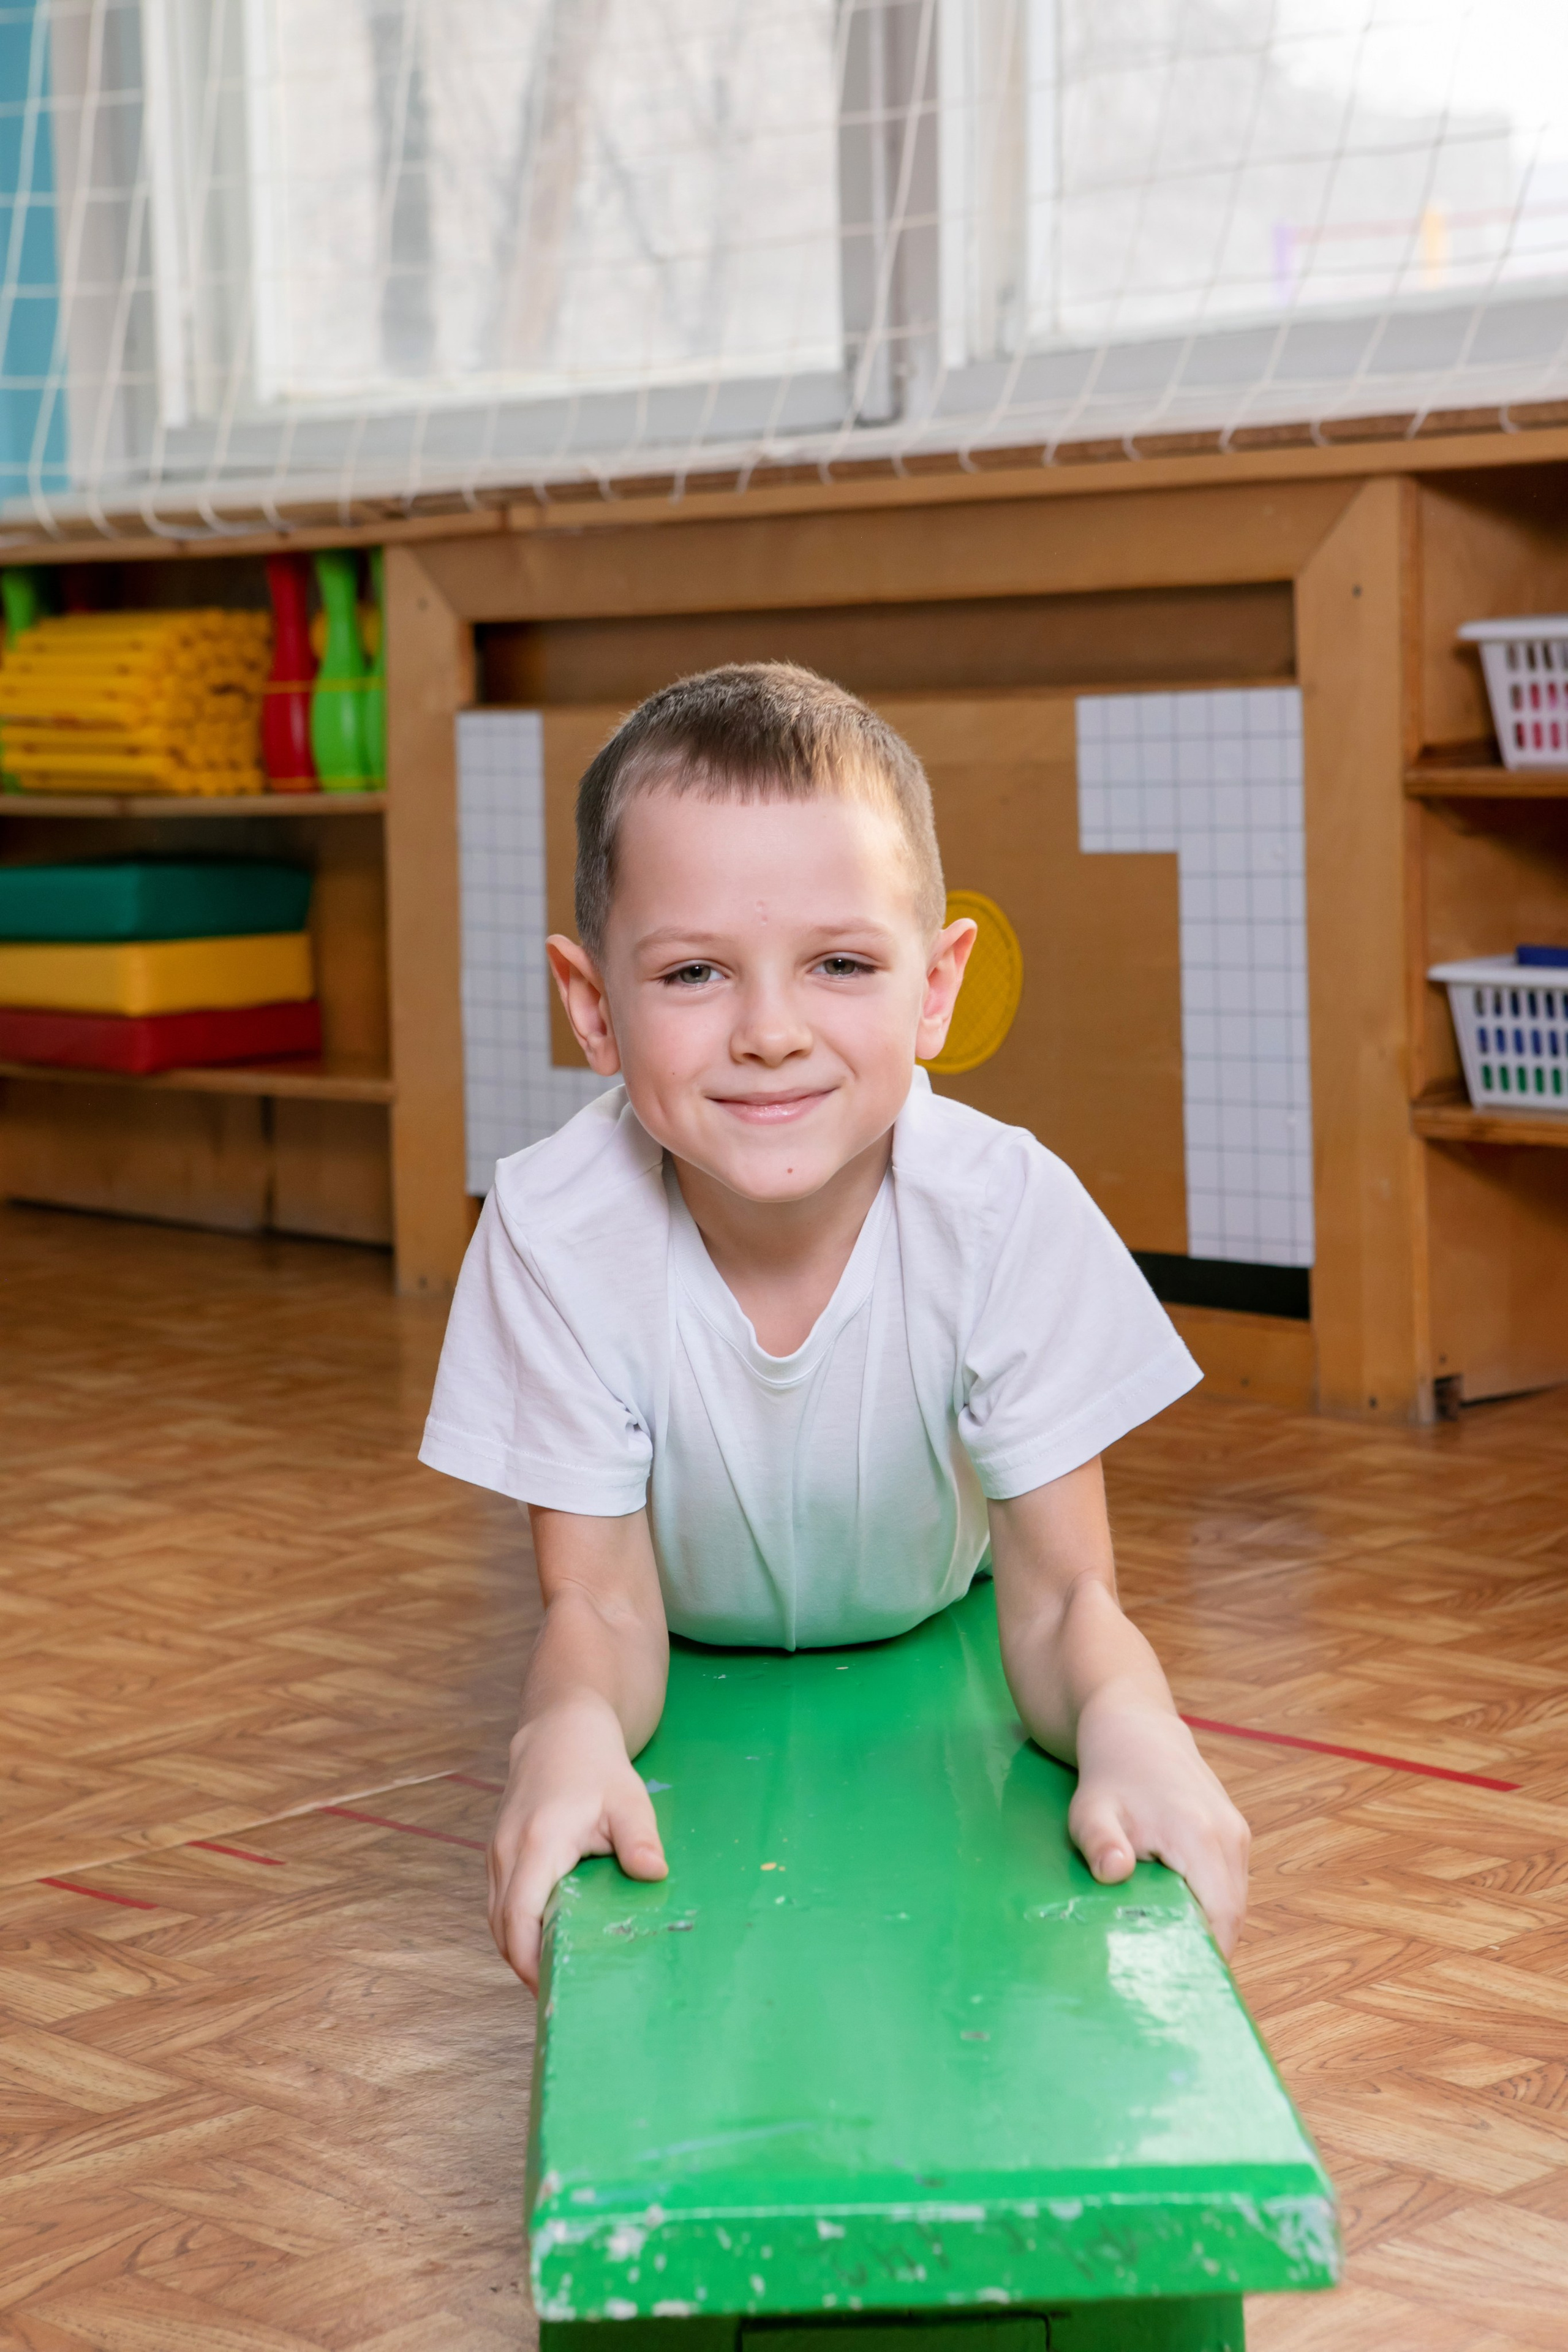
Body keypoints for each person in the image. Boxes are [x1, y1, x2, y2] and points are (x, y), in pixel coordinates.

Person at [420, 662, 1250, 1989]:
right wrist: (561, 1734)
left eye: (842, 965)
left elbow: (1062, 1601)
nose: (769, 1033)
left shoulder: (1008, 1212)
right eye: (694, 971)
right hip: (682, 1632)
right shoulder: (550, 1229)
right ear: (592, 1008)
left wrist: (1131, 1723)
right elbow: (602, 1605)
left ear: (936, 988)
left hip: (934, 1605)